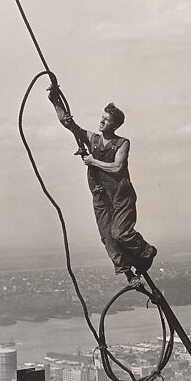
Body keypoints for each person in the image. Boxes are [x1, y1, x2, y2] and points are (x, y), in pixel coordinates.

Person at [48, 86, 157, 287]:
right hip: (100, 196)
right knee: (108, 238)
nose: (101, 121)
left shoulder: (122, 143)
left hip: (120, 196)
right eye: (102, 117)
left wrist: (93, 162)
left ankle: (146, 251)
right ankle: (129, 275)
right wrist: (55, 100)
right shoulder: (93, 140)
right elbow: (69, 125)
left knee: (121, 234)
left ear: (114, 124)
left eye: (106, 120)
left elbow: (117, 167)